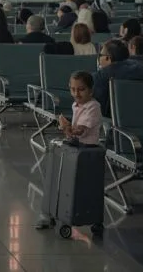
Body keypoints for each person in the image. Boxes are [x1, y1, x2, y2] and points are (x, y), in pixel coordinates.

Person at [35, 71, 103, 229]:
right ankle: (50, 211)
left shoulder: (93, 107)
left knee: (75, 183)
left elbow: (80, 131)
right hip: (76, 145)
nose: (76, 94)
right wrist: (67, 128)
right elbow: (74, 132)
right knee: (53, 173)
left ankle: (60, 213)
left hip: (86, 149)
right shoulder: (76, 105)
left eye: (81, 89)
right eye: (73, 89)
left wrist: (67, 128)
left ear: (91, 90)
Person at [92, 39, 143, 118]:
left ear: (108, 58)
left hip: (114, 122)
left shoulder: (99, 77)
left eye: (100, 55)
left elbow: (98, 110)